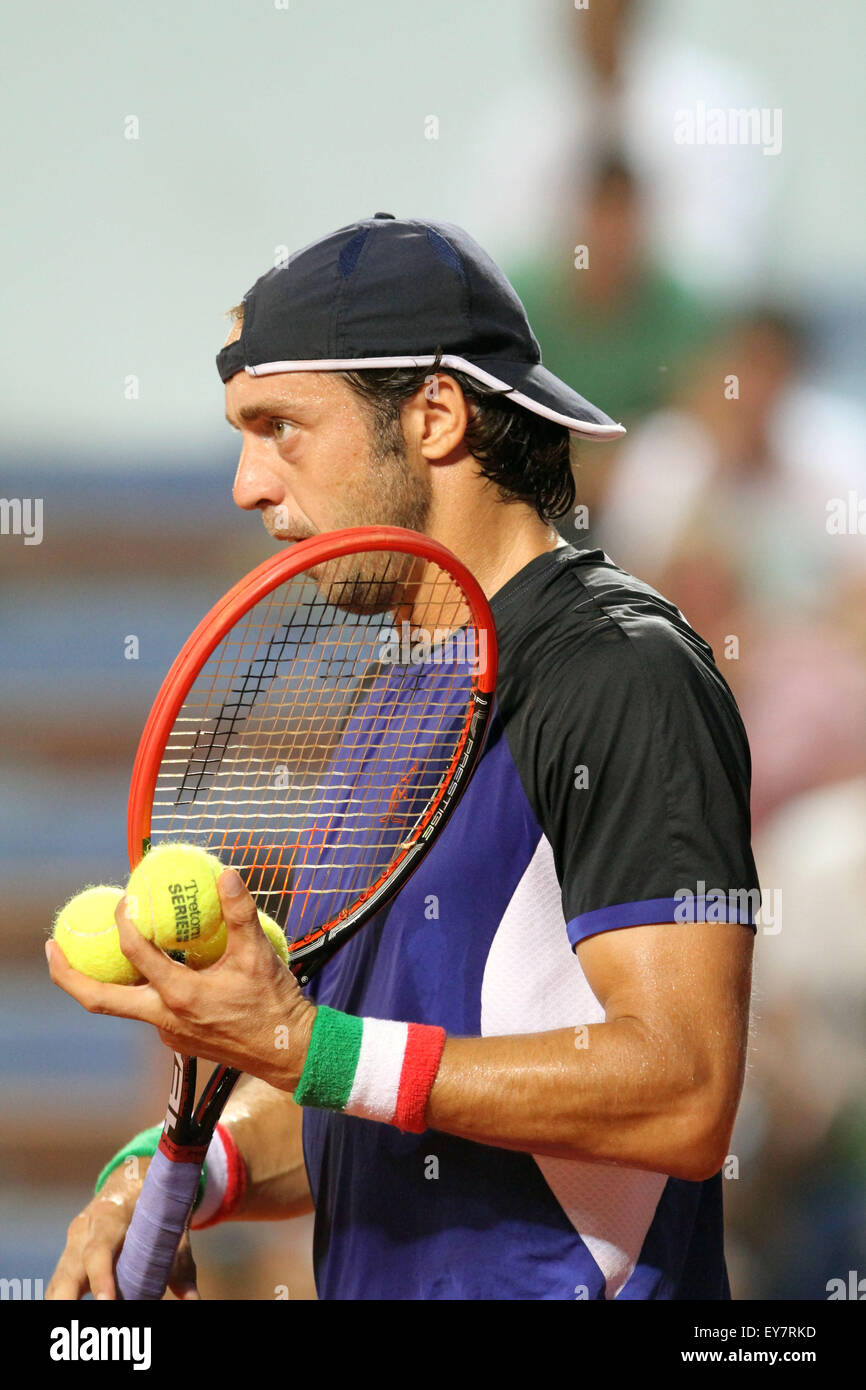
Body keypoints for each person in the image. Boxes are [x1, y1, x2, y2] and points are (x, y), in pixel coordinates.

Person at [46, 213, 756, 1301]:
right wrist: (181, 1173)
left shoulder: (623, 672)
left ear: (432, 414)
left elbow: (683, 1089)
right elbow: (357, 1095)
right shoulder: (395, 709)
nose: (246, 483)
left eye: (281, 426)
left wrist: (305, 1043)